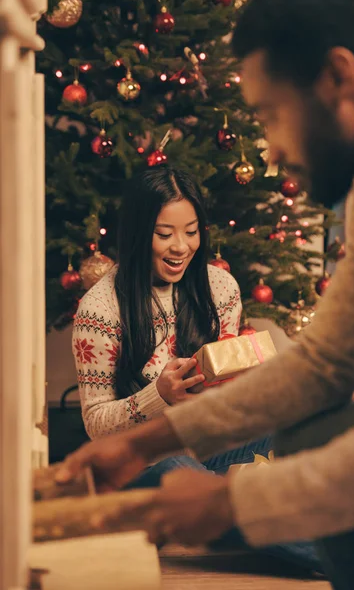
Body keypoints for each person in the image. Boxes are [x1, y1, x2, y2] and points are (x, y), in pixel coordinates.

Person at [57, 0, 354, 587]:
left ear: (338, 77)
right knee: (312, 430)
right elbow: (324, 361)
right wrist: (145, 444)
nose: (272, 150)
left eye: (270, 115)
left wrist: (230, 506)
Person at [72, 164, 322, 571]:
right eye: (164, 233)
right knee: (177, 469)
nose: (181, 247)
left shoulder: (220, 288)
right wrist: (160, 396)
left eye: (191, 231)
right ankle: (337, 556)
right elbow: (96, 423)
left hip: (208, 448)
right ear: (138, 232)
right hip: (142, 468)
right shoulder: (99, 309)